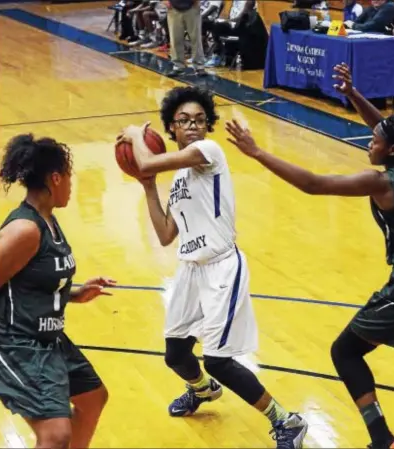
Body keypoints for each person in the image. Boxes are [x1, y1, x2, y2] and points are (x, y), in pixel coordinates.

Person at [225, 63, 394, 449]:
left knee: (345, 351)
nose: (369, 140)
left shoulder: (380, 181)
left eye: (375, 141)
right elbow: (392, 130)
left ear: (391, 151)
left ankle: (382, 439)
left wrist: (257, 151)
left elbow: (314, 184)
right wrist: (353, 94)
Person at [120, 86, 308, 449]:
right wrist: (148, 187)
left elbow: (143, 160)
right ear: (171, 128)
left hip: (222, 267)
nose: (193, 126)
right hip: (190, 270)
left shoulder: (209, 152)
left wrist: (132, 135)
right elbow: (163, 235)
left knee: (219, 360)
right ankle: (203, 391)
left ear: (206, 128)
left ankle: (287, 421)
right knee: (175, 354)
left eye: (199, 120)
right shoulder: (178, 178)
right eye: (184, 121)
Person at [0, 134, 115, 449]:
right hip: (15, 342)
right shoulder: (25, 230)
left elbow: (30, 281)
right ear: (55, 178)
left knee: (92, 398)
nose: (72, 186)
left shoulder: (49, 221)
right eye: (70, 177)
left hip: (48, 337)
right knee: (55, 435)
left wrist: (74, 293)